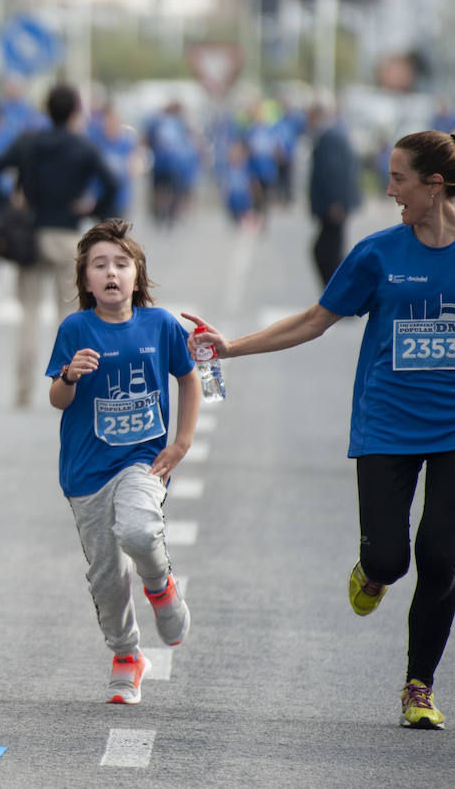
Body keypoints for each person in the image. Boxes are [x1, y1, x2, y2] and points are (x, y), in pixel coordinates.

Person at [186, 129, 455, 729]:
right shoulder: (378, 254)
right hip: (387, 423)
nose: (388, 192)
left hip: (453, 429)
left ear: (434, 185)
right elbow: (314, 320)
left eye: (399, 180)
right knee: (391, 560)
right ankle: (374, 572)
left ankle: (418, 686)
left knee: (441, 557)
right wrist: (228, 349)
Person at [45, 219, 198, 705]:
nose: (111, 273)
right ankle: (127, 655)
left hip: (142, 460)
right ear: (85, 281)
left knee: (137, 530)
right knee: (107, 576)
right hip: (87, 472)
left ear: (137, 275)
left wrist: (182, 442)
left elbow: (189, 378)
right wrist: (70, 374)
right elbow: (57, 399)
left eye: (121, 264)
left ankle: (159, 584)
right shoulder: (75, 328)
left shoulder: (160, 325)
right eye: (99, 265)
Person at [0, 82, 123, 409]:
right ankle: (66, 386)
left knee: (29, 314)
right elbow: (112, 183)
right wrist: (92, 209)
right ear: (75, 111)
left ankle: (23, 391)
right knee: (69, 316)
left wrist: (11, 207)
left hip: (30, 236)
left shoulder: (28, 142)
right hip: (68, 237)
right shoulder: (83, 146)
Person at [307, 104, 360, 288]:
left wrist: (335, 202)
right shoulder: (333, 135)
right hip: (334, 204)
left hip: (334, 206)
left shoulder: (330, 137)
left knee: (326, 252)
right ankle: (336, 294)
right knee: (329, 250)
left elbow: (333, 171)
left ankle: (339, 294)